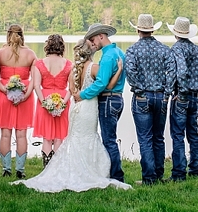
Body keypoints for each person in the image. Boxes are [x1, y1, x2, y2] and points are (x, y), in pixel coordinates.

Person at [12, 39, 131, 192]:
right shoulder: (94, 68)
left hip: (76, 108)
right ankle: (89, 171)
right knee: (89, 137)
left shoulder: (74, 69)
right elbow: (106, 86)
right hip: (88, 106)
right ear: (90, 53)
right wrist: (120, 70)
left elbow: (72, 89)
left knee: (75, 138)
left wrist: (77, 94)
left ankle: (73, 168)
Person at [125, 14, 176, 185]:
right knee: (158, 137)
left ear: (138, 30)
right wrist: (167, 93)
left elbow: (130, 72)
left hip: (142, 97)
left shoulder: (132, 50)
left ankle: (149, 177)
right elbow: (172, 73)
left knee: (145, 138)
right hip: (161, 96)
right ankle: (159, 174)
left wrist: (139, 90)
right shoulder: (164, 49)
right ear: (152, 29)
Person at [76, 22, 127, 183]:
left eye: (93, 39)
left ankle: (116, 176)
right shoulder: (119, 52)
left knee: (109, 140)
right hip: (118, 98)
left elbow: (101, 83)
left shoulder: (107, 56)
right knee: (110, 138)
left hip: (108, 100)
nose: (93, 43)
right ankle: (112, 172)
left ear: (101, 36)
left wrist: (82, 94)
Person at [0, 24, 37, 178]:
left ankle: (6, 169)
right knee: (21, 135)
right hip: (24, 97)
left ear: (8, 35)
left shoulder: (0, 53)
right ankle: (20, 170)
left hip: (4, 96)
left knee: (5, 134)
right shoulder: (30, 54)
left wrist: (4, 89)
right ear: (22, 35)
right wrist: (26, 93)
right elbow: (35, 78)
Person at [166, 17, 198, 181]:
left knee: (177, 135)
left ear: (175, 33)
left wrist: (179, 91)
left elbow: (181, 72)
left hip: (182, 97)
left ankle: (179, 172)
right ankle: (195, 169)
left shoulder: (176, 49)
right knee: (193, 134)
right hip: (194, 97)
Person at [32, 34, 72, 167]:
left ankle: (46, 168)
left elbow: (36, 86)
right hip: (62, 100)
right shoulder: (68, 64)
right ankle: (57, 168)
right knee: (59, 137)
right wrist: (63, 103)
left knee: (47, 138)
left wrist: (45, 103)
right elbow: (71, 88)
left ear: (47, 46)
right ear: (62, 47)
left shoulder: (39, 64)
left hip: (45, 100)